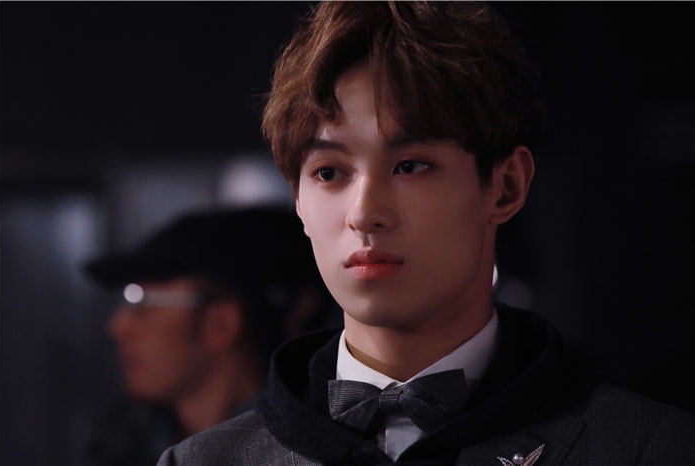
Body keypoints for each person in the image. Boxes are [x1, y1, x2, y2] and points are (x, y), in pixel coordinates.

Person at [158, 3, 695, 465]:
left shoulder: (646, 447)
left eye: (410, 166)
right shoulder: (202, 461)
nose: (364, 213)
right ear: (298, 200)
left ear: (505, 186)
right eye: (329, 172)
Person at [85, 206, 335, 466]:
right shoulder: (119, 446)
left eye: (143, 302)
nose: (118, 327)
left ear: (221, 323)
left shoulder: (321, 450)